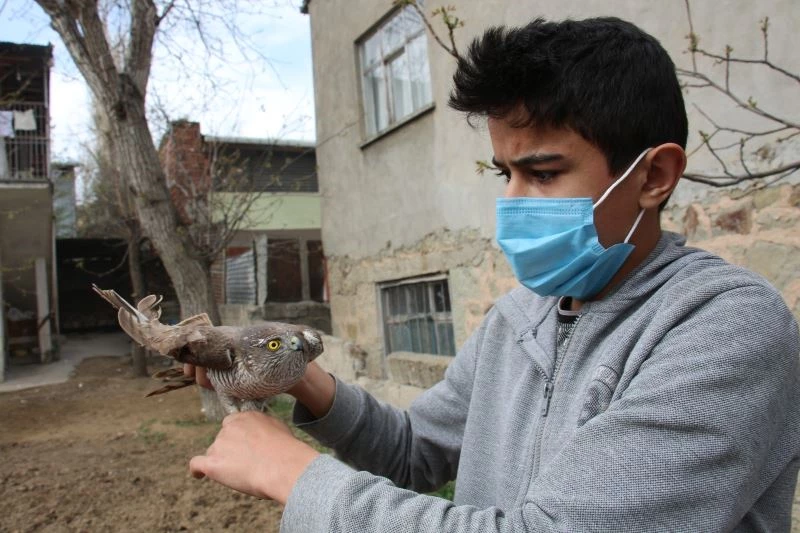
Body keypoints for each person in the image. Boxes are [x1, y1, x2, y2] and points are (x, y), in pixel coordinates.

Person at [186, 16, 800, 532]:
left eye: (544, 173)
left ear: (654, 177)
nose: (512, 201)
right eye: (501, 173)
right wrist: (298, 373)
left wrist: (296, 476)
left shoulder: (727, 327)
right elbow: (411, 450)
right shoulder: (520, 317)